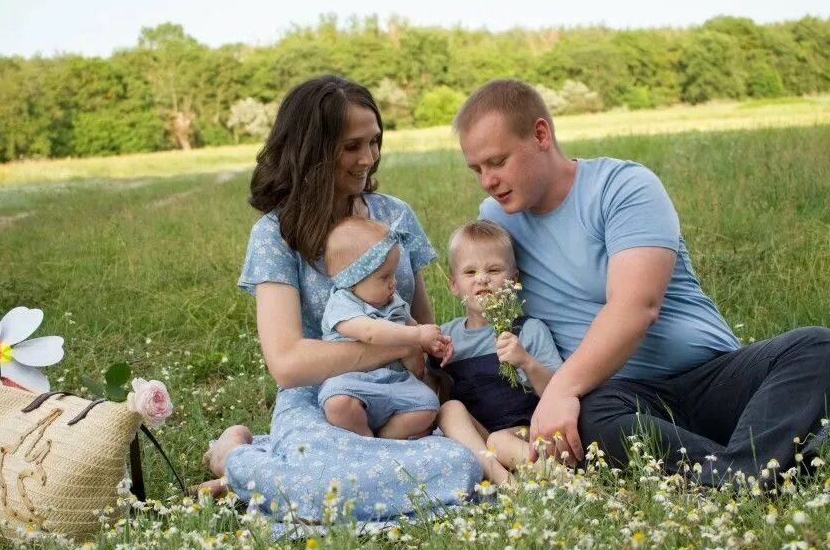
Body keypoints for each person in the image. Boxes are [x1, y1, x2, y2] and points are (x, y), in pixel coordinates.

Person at [453, 79, 830, 485]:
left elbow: (636, 305)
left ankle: (735, 470)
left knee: (820, 348)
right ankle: (759, 467)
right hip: (622, 399)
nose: (487, 180)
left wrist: (561, 390)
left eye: (497, 162)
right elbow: (484, 303)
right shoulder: (496, 219)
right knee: (589, 417)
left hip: (713, 377)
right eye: (477, 169)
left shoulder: (623, 187)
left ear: (541, 134)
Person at [200, 75, 480, 518]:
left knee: (460, 465)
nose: (367, 159)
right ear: (311, 150)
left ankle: (263, 472)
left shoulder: (394, 216)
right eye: (352, 146)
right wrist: (397, 343)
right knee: (326, 487)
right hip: (320, 401)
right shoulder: (275, 234)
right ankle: (233, 456)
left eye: (373, 142)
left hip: (402, 393)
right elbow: (289, 364)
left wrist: (428, 377)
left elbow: (420, 323)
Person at [434, 220, 563, 485]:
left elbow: (557, 394)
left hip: (525, 434)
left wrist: (526, 362)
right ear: (454, 284)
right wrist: (432, 363)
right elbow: (430, 391)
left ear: (514, 280)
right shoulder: (447, 338)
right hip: (479, 439)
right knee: (449, 409)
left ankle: (564, 479)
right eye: (469, 272)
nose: (482, 278)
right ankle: (507, 483)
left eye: (493, 269)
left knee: (500, 441)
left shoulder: (528, 331)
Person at [317, 216, 448, 439]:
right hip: (352, 382)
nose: (393, 283)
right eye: (384, 277)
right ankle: (364, 438)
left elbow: (412, 326)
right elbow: (370, 333)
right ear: (353, 278)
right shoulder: (342, 303)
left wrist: (431, 343)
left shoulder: (394, 301)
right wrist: (417, 335)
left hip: (396, 382)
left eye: (393, 274)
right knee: (337, 404)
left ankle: (386, 441)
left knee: (427, 407)